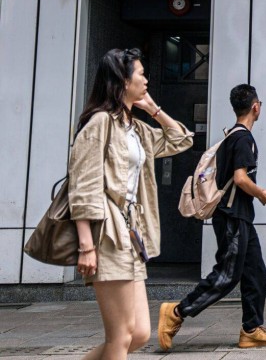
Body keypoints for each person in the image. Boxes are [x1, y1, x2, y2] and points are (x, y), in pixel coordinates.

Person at [68, 48, 194, 360]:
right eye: (140, 74)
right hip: (107, 233)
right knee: (121, 335)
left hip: (132, 235)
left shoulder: (135, 128)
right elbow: (82, 186)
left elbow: (182, 139)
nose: (146, 80)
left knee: (138, 334)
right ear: (123, 81)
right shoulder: (100, 123)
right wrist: (86, 246)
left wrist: (153, 109)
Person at [157, 84, 266, 351]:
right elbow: (240, 178)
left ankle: (251, 329)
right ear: (255, 107)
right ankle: (177, 312)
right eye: (259, 104)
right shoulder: (243, 139)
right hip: (232, 217)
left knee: (256, 272)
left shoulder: (233, 136)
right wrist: (261, 194)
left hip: (239, 217)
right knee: (227, 275)